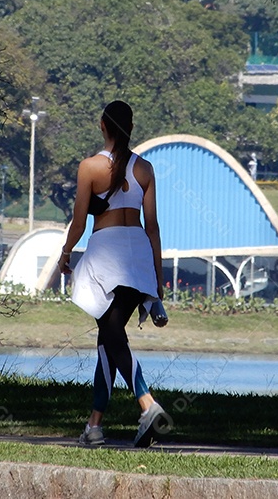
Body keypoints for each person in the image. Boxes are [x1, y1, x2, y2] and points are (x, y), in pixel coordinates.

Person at [58, 100, 171, 448]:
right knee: (108, 340)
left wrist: (64, 253)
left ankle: (147, 403)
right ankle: (94, 427)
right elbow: (152, 228)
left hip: (107, 252)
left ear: (102, 126)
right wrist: (157, 279)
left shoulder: (89, 167)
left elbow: (79, 222)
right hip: (137, 254)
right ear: (130, 128)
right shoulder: (145, 169)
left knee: (110, 334)